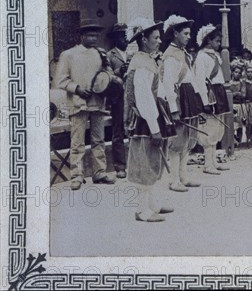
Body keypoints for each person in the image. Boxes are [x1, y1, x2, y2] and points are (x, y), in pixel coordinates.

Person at [124, 18, 176, 222]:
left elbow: (157, 90)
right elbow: (144, 97)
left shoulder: (148, 61)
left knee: (155, 159)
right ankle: (141, 211)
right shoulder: (141, 64)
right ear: (144, 39)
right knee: (144, 161)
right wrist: (154, 127)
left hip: (155, 115)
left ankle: (154, 203)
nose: (159, 40)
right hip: (147, 119)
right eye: (155, 37)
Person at [55, 19, 117, 190]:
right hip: (78, 103)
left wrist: (106, 82)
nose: (94, 38)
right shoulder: (68, 55)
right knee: (77, 142)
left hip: (97, 103)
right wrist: (77, 89)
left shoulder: (101, 54)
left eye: (96, 35)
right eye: (90, 35)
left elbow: (107, 75)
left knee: (99, 139)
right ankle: (77, 175)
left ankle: (99, 172)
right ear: (81, 36)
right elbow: (60, 80)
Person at [161, 15, 203, 191]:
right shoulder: (170, 56)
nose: (188, 36)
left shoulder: (183, 53)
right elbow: (168, 84)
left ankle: (184, 176)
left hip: (188, 96)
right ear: (175, 33)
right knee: (177, 141)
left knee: (187, 140)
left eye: (189, 33)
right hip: (178, 98)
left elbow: (191, 78)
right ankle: (173, 180)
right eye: (185, 33)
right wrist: (174, 109)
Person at [194, 24, 232, 175]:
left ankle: (214, 161)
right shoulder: (201, 57)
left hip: (219, 91)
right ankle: (207, 164)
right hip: (210, 93)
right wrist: (205, 102)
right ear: (208, 41)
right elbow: (199, 80)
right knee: (209, 126)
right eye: (216, 40)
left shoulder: (215, 55)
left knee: (218, 126)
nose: (218, 43)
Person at [106, 23, 130, 179]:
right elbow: (106, 76)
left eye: (126, 36)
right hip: (118, 98)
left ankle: (134, 163)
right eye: (121, 36)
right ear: (115, 38)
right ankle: (120, 166)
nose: (124, 39)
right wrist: (119, 71)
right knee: (118, 132)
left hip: (132, 96)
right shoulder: (109, 55)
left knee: (135, 130)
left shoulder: (132, 54)